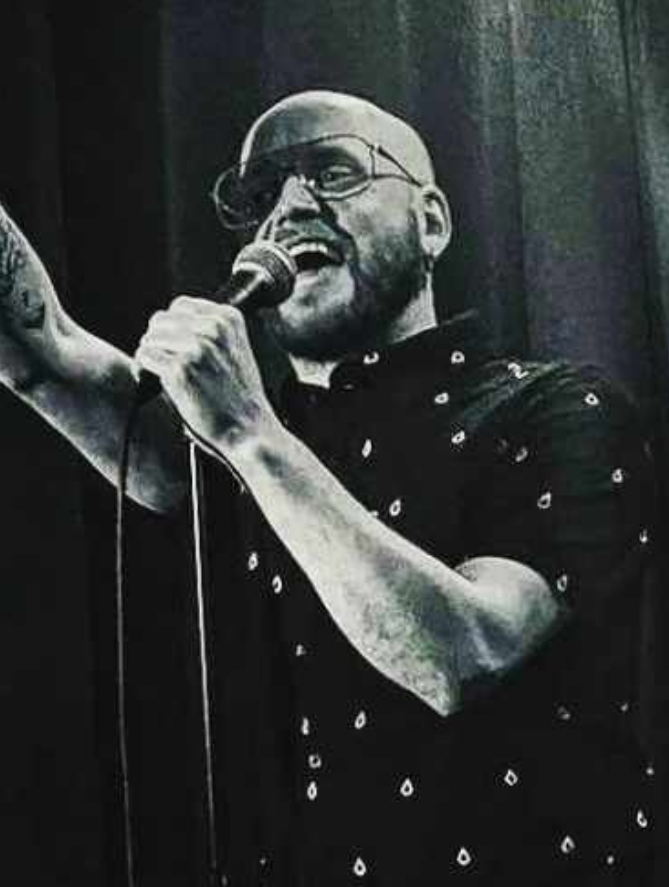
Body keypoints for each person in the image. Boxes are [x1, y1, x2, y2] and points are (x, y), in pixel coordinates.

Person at [0, 90, 657, 885]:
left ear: (431, 221)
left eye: (333, 170)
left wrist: (251, 434)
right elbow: (39, 350)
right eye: (260, 193)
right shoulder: (235, 442)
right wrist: (247, 432)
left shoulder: (556, 407)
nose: (289, 205)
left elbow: (463, 657)